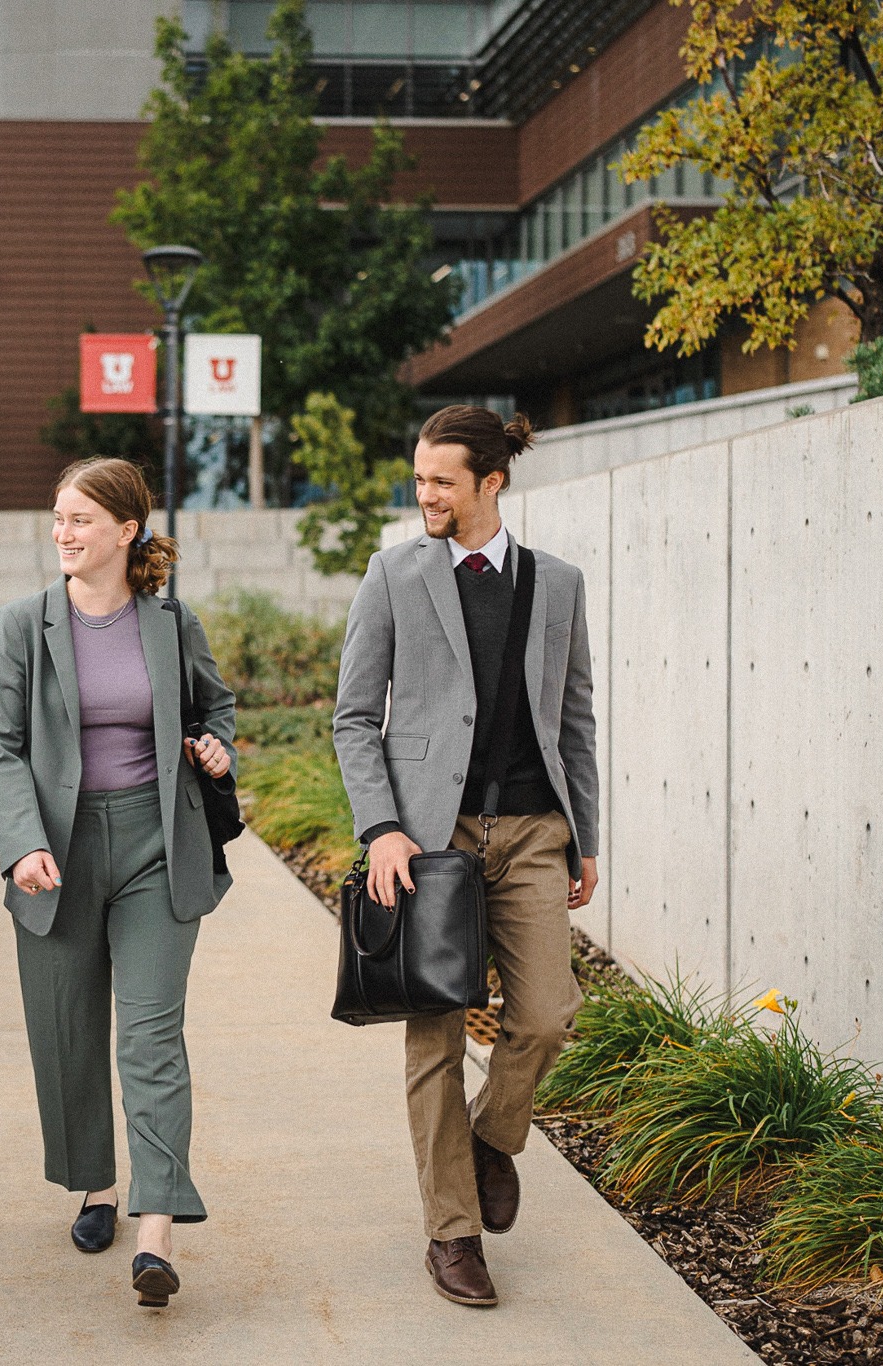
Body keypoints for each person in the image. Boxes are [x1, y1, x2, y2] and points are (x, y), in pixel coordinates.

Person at [331, 404, 600, 1308]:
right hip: (429, 842)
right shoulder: (394, 573)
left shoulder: (556, 583)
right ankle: (452, 1233)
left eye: (442, 480)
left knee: (548, 1015)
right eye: (419, 479)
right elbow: (354, 717)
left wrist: (585, 836)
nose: (426, 496)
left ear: (492, 482)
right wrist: (382, 829)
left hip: (531, 831)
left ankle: (490, 1137)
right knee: (434, 1037)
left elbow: (575, 721)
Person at [0, 457, 237, 1310]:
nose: (64, 532)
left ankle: (154, 1225)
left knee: (152, 1035)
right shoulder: (24, 625)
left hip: (159, 846)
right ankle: (93, 1184)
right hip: (57, 849)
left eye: (81, 518)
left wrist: (214, 746)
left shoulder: (169, 622)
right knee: (69, 1028)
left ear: (128, 529)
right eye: (58, 517)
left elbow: (215, 705)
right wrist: (20, 844)